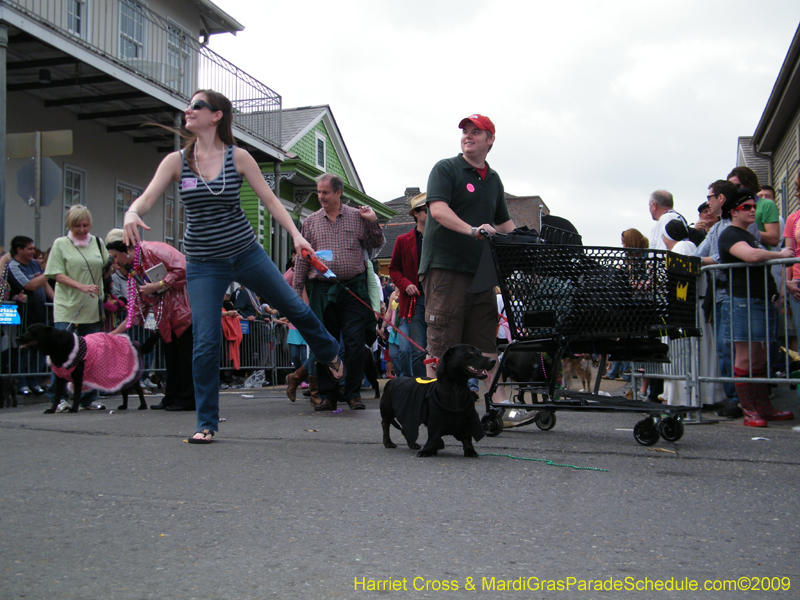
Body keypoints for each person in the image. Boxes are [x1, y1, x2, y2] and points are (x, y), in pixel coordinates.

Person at [122, 89, 342, 444]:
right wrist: (132, 211)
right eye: (188, 106)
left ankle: (329, 350)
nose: (188, 111)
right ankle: (206, 422)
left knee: (292, 305)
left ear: (217, 115)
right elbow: (147, 197)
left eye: (196, 106)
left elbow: (270, 200)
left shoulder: (238, 158)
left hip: (245, 252)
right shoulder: (177, 161)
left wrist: (296, 236)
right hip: (203, 262)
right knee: (206, 342)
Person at [419, 114, 515, 399]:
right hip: (446, 268)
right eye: (465, 132)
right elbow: (438, 210)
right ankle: (434, 405)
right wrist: (472, 230)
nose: (468, 136)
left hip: (481, 273)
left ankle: (500, 405)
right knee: (441, 344)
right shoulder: (446, 169)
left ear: (490, 140)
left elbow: (504, 225)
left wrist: (531, 244)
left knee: (485, 343)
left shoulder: (494, 179)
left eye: (476, 132)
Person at [292, 173, 385, 412]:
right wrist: (297, 290)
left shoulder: (357, 216)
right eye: (319, 192)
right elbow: (303, 259)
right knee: (325, 343)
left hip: (351, 288)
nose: (320, 196)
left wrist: (373, 220)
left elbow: (376, 242)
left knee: (355, 343)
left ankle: (353, 394)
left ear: (338, 192)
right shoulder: (310, 222)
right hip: (322, 290)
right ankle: (328, 396)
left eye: (325, 192)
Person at [718, 188, 794, 427]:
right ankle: (749, 411)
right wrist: (780, 253)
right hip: (742, 301)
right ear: (734, 212)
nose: (753, 210)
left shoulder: (749, 234)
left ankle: (763, 407)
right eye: (747, 207)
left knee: (759, 358)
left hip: (759, 299)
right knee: (745, 358)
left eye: (753, 206)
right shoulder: (729, 233)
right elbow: (750, 256)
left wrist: (773, 293)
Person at [105, 229, 195, 412]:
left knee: (185, 358)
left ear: (125, 250)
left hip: (184, 312)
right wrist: (112, 334)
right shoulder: (134, 274)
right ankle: (171, 397)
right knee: (171, 358)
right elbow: (135, 312)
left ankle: (187, 399)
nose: (116, 262)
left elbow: (183, 268)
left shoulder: (153, 249)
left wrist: (158, 285)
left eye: (116, 257)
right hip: (166, 318)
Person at [44, 204, 109, 411]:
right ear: (69, 225)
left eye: (85, 225)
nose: (82, 230)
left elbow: (106, 267)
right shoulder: (61, 244)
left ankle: (89, 397)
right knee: (61, 353)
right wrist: (82, 286)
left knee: (91, 353)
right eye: (77, 226)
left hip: (91, 305)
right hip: (67, 304)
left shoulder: (98, 243)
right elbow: (56, 274)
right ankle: (58, 396)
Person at [5, 236, 53, 395]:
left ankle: (34, 381)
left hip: (39, 312)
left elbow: (44, 284)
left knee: (40, 347)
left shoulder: (34, 264)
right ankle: (21, 382)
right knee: (23, 348)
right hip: (23, 314)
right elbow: (30, 285)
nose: (33, 251)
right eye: (30, 249)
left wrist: (57, 300)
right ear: (19, 250)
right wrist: (50, 272)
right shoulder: (13, 266)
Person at [388, 192, 428, 378]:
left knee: (438, 349)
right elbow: (394, 270)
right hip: (415, 301)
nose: (432, 214)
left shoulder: (441, 239)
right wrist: (406, 284)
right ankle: (419, 387)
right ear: (416, 214)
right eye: (427, 211)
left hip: (438, 300)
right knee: (416, 350)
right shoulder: (403, 240)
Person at [728, 166, 781, 248]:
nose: (733, 190)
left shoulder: (766, 204)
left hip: (758, 256)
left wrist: (742, 231)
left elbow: (773, 239)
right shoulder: (729, 207)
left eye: (737, 186)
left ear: (749, 184)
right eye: (730, 187)